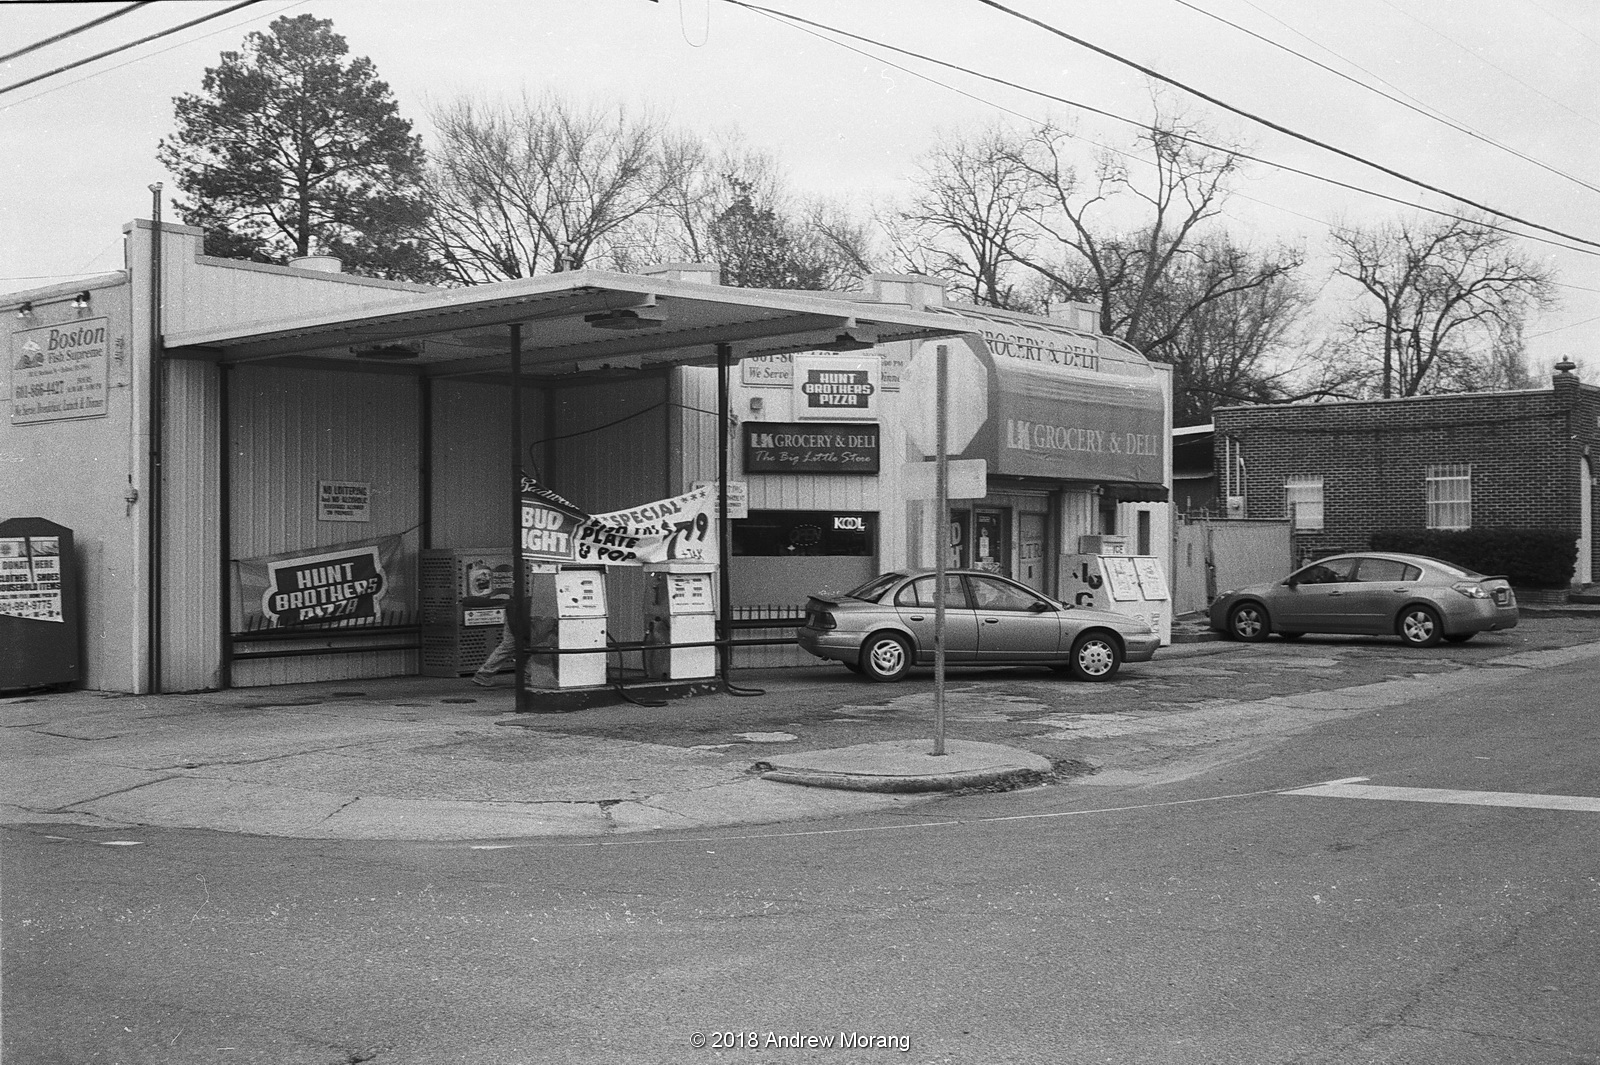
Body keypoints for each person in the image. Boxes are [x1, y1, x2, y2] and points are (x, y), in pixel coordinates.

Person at [472, 614, 558, 688]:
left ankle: (484, 673)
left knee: (508, 646)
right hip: (534, 617)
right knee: (538, 644)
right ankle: (526, 675)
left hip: (514, 615)